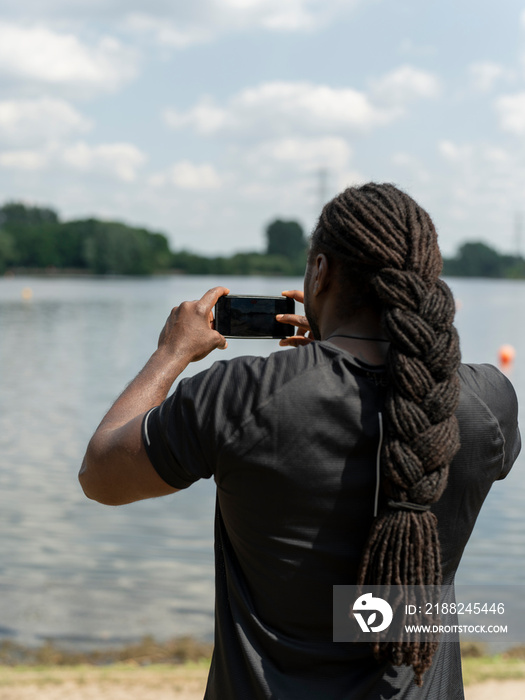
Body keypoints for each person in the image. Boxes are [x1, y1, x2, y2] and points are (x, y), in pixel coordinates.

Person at [79, 183, 520, 699]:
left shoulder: (244, 396)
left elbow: (101, 474)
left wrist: (170, 353)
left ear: (320, 272)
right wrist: (338, 352)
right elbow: (389, 394)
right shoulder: (489, 402)